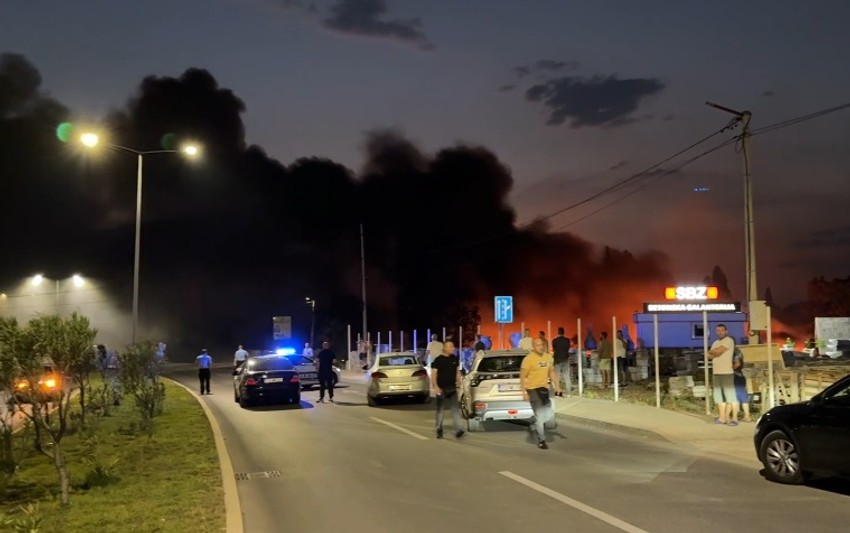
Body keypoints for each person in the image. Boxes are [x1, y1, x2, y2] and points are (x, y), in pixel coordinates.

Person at [520, 338, 561, 449]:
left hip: (543, 389)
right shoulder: (528, 359)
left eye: (542, 344)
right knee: (539, 414)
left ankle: (535, 424)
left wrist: (557, 386)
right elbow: (522, 376)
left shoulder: (547, 357)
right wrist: (524, 392)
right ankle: (541, 440)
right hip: (532, 389)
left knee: (549, 412)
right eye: (538, 345)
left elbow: (551, 372)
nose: (540, 347)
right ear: (533, 346)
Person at [431, 341, 464, 439]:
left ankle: (458, 430)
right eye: (451, 347)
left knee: (455, 410)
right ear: (445, 348)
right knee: (440, 410)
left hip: (452, 388)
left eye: (453, 346)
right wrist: (436, 387)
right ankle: (439, 429)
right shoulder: (438, 360)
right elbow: (434, 374)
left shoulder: (454, 359)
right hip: (441, 389)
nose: (453, 348)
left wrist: (459, 383)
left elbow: (457, 372)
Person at [708, 324, 738, 425]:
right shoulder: (715, 342)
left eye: (722, 330)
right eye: (718, 330)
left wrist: (714, 352)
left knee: (731, 397)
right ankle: (722, 418)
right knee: (718, 397)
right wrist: (714, 352)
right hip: (716, 372)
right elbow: (709, 356)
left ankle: (734, 418)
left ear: (726, 331)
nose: (720, 332)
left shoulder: (729, 340)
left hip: (727, 372)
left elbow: (717, 351)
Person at [731, 346, 752, 423]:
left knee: (736, 400)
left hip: (736, 379)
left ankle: (735, 417)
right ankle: (747, 416)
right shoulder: (737, 352)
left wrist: (731, 367)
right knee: (744, 400)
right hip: (740, 379)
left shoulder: (733, 352)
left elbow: (736, 363)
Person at [552, 327, 572, 395]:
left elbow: (554, 349)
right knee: (566, 375)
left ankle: (557, 390)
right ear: (564, 332)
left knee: (557, 376)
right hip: (565, 359)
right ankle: (568, 391)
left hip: (557, 360)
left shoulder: (554, 340)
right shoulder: (567, 340)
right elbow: (568, 348)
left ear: (558, 332)